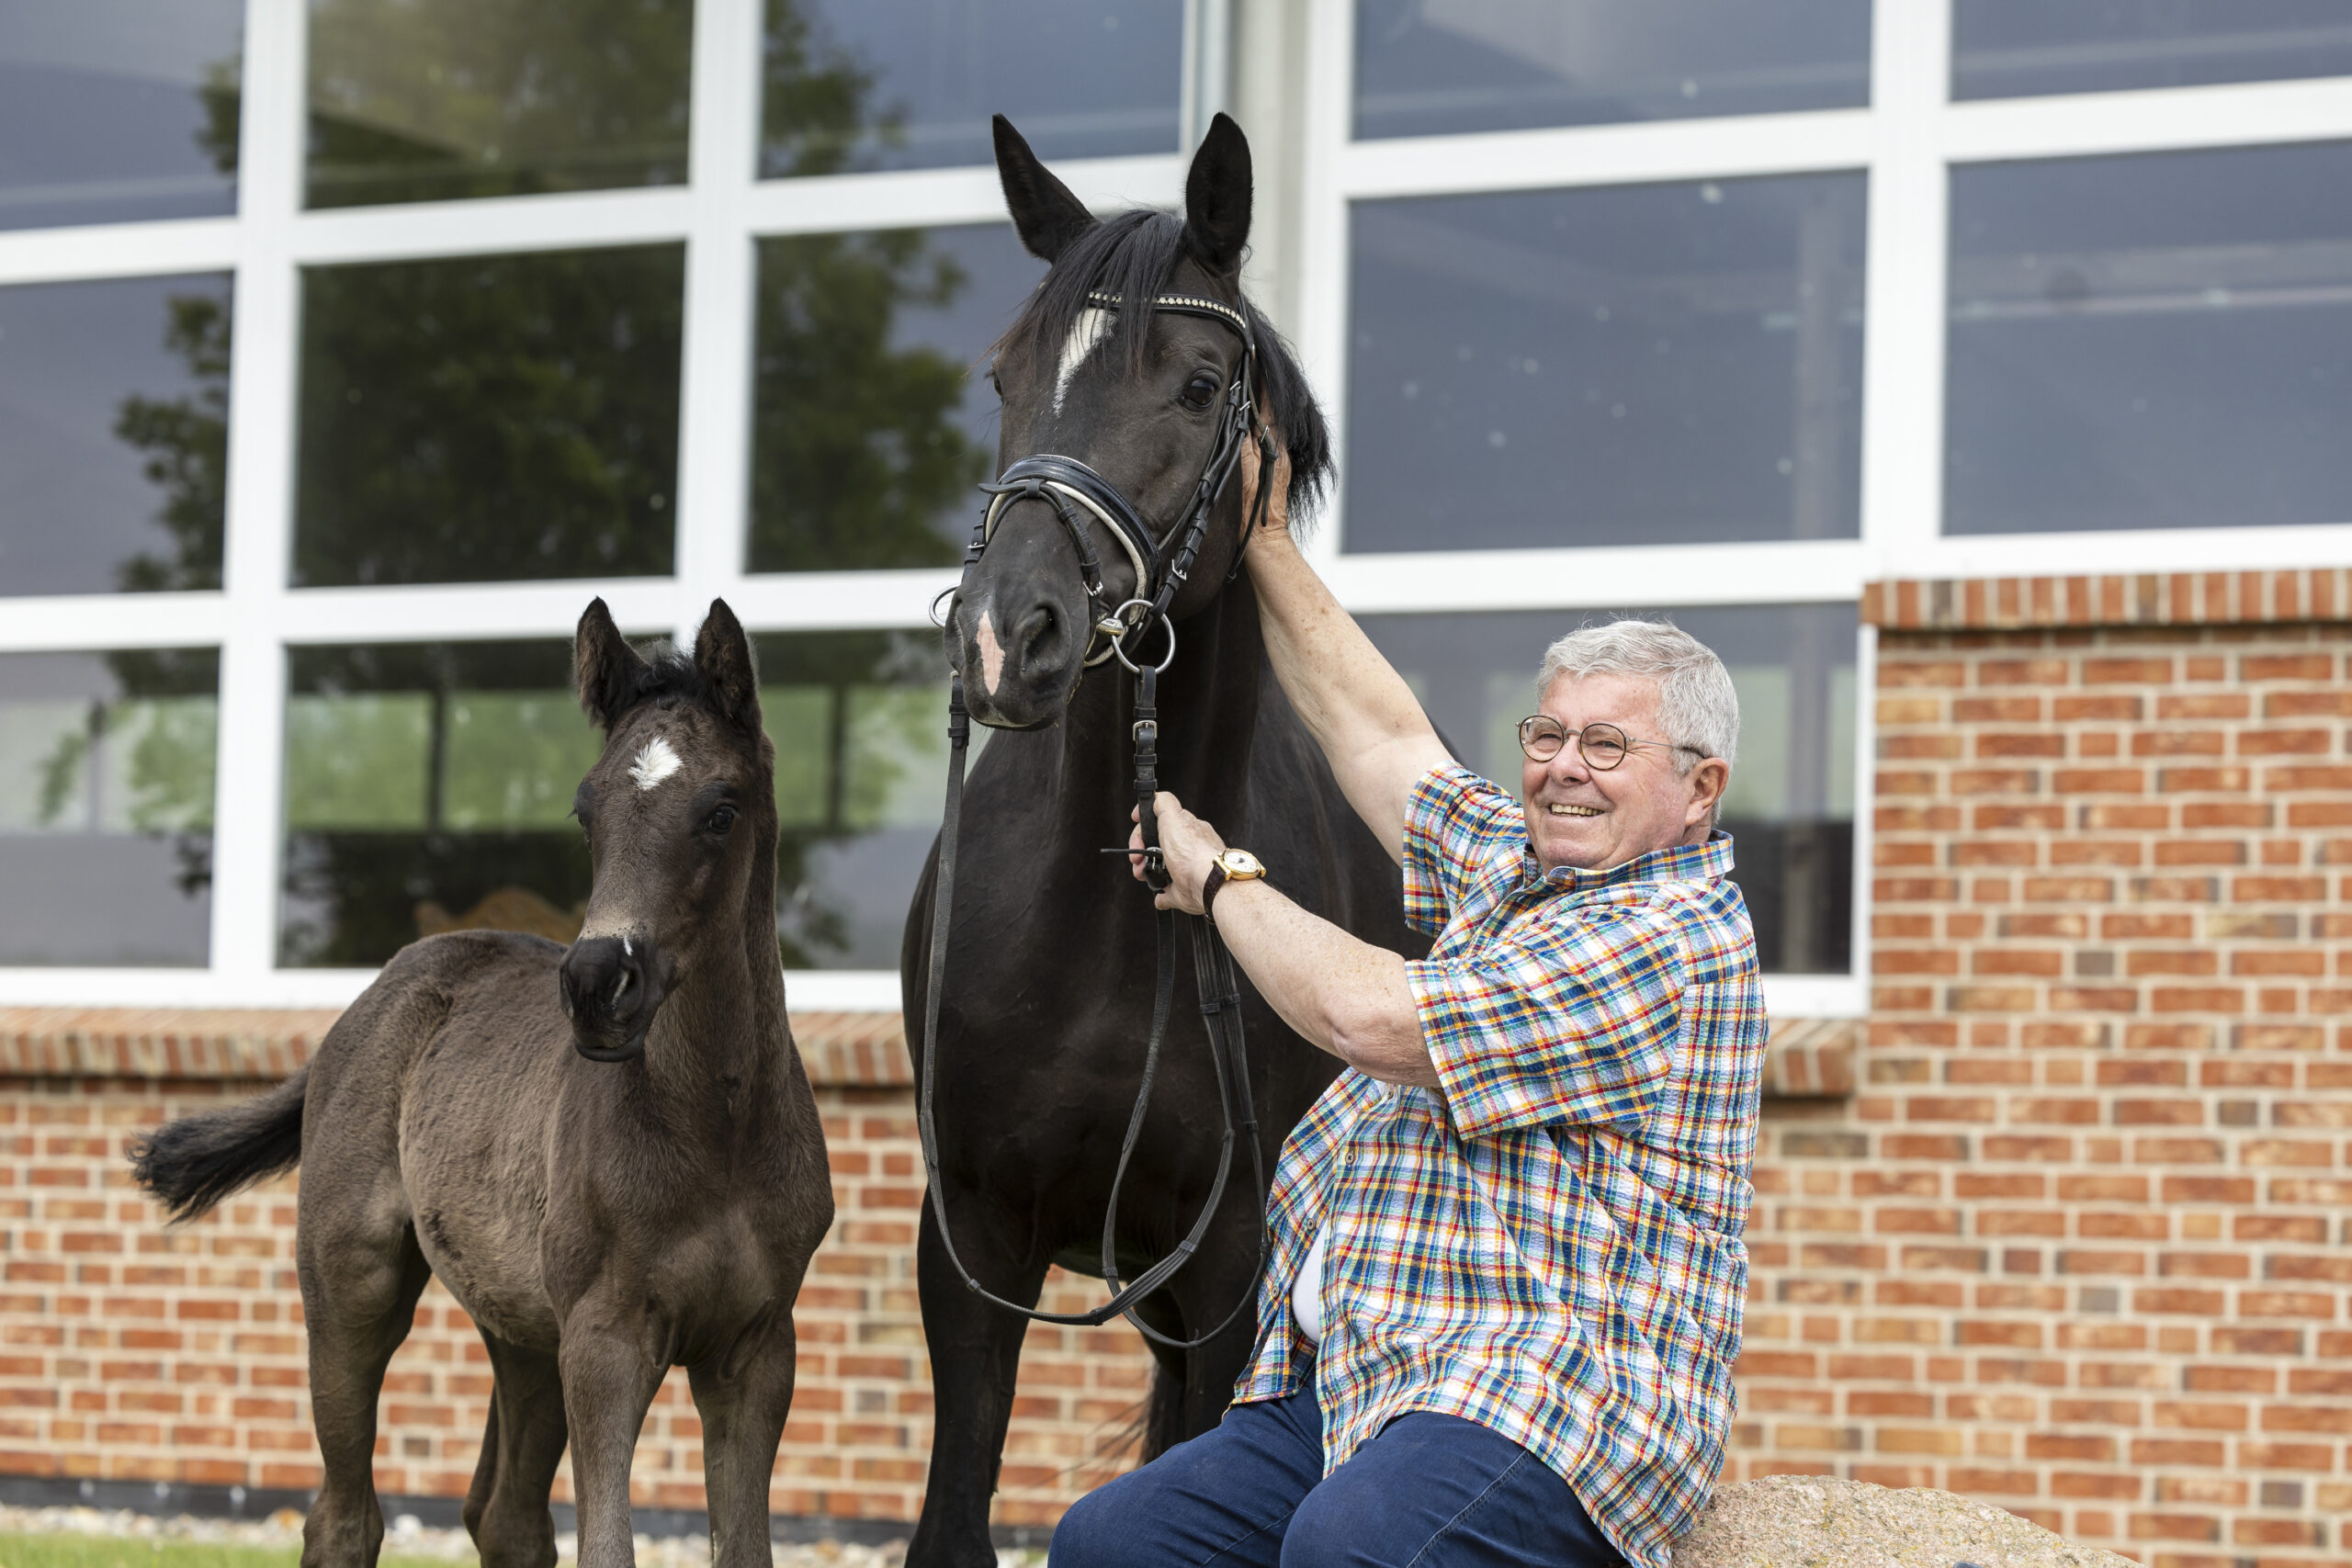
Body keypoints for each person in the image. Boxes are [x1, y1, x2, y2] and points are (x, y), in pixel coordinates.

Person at [1048, 438, 1768, 1568]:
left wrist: (1221, 879)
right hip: (1366, 1381)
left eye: (1605, 745)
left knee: (1352, 1546)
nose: (1562, 766)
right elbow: (1378, 734)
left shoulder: (1666, 938)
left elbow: (1373, 1020)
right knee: (1115, 1543)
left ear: (1698, 787)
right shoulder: (1517, 870)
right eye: (1546, 734)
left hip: (1554, 1393)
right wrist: (1265, 537)